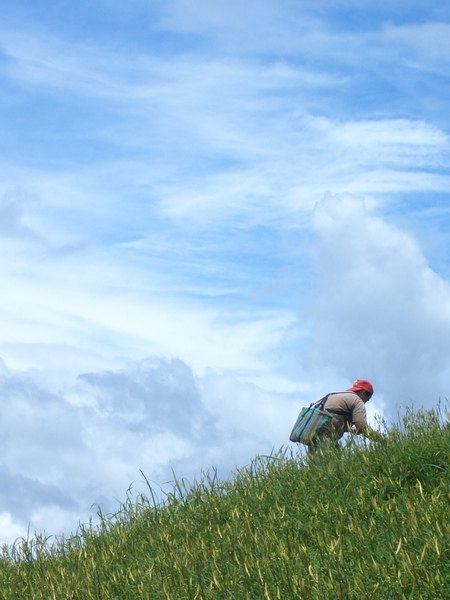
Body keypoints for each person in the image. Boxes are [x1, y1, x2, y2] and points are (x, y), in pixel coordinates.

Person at [308, 379, 383, 453]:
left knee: (332, 461)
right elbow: (362, 427)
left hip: (313, 435)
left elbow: (334, 417)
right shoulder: (357, 401)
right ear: (363, 393)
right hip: (326, 438)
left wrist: (350, 429)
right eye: (367, 399)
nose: (365, 402)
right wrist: (381, 440)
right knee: (326, 463)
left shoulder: (337, 395)